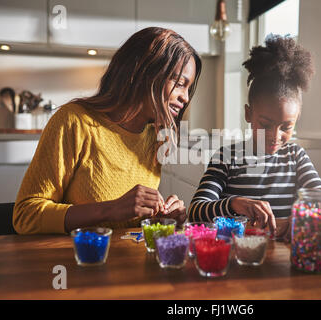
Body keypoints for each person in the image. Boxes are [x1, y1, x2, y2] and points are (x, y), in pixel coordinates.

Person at [13, 27, 202, 234]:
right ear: (143, 73)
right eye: (180, 83)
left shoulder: (155, 137)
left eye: (188, 88)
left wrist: (161, 218)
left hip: (127, 263)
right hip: (79, 261)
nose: (185, 98)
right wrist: (110, 209)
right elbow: (25, 216)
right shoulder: (75, 122)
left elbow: (128, 227)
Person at [188, 34, 321, 242]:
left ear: (296, 120)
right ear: (248, 114)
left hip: (282, 262)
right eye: (265, 124)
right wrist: (234, 203)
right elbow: (195, 211)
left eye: (286, 127)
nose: (274, 136)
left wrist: (300, 216)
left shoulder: (296, 157)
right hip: (238, 260)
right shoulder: (226, 157)